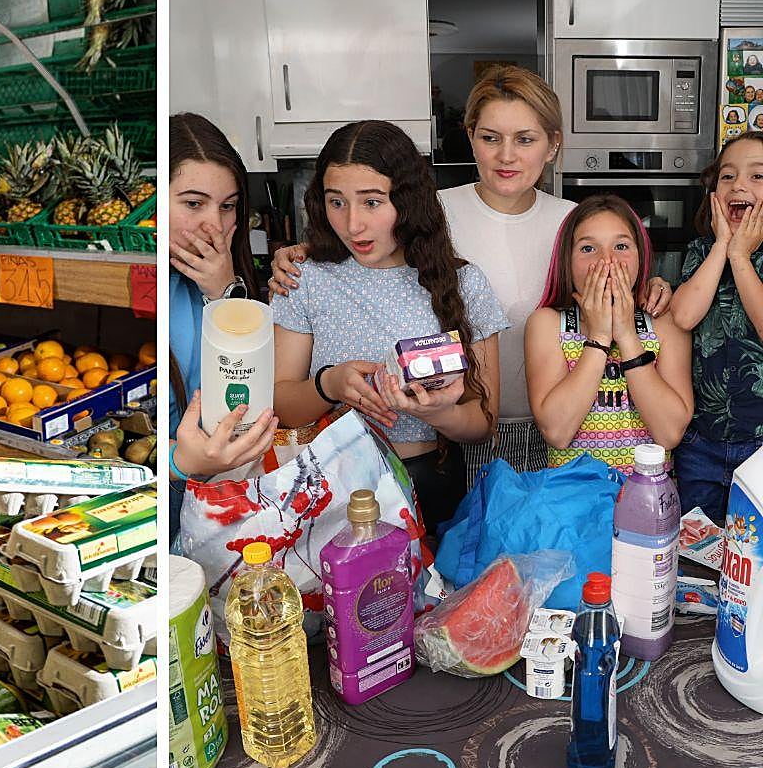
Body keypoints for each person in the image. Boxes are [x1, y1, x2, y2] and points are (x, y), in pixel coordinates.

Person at [269, 67, 672, 482]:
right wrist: (305, 255)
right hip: (470, 434)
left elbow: (620, 281)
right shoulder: (426, 213)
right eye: (490, 137)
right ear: (470, 137)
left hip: (568, 424)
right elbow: (360, 244)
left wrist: (653, 286)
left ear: (552, 146)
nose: (506, 156)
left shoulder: (576, 225)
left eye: (525, 140)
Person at [270, 120, 508, 538]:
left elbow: (483, 422)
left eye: (373, 202)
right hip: (329, 487)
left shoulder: (466, 285)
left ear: (409, 200)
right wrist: (329, 385)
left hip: (431, 482)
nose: (353, 225)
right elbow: (281, 403)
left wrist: (440, 413)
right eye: (336, 202)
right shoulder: (304, 278)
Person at [168, 113, 278, 545]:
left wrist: (223, 290)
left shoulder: (231, 285)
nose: (214, 224)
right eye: (193, 204)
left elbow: (246, 383)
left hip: (218, 493)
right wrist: (180, 465)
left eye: (227, 206)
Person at [524, 195, 692, 475]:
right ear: (566, 260)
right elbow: (557, 431)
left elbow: (670, 433)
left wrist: (626, 334)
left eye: (621, 246)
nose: (607, 261)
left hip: (649, 502)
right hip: (573, 503)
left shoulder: (665, 322)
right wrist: (600, 337)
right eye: (588, 248)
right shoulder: (547, 324)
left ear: (641, 256)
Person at [669, 132, 763, 525]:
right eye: (727, 176)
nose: (739, 184)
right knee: (695, 557)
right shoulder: (700, 252)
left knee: (752, 562)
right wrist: (723, 245)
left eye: (758, 176)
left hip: (760, 447)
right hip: (699, 444)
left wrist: (741, 257)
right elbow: (685, 316)